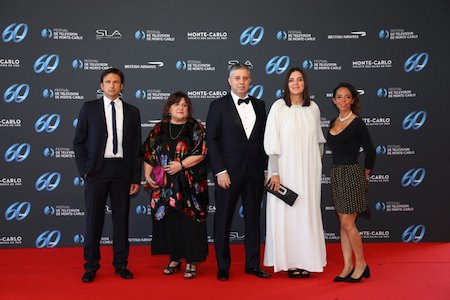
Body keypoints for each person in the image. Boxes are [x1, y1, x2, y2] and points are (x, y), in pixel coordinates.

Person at [73, 67, 142, 283]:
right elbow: (79, 142)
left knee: (121, 221)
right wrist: (85, 168)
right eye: (108, 82)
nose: (112, 85)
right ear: (101, 85)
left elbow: (135, 147)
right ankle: (91, 266)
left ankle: (121, 265)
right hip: (96, 171)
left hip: (122, 171)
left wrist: (134, 177)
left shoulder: (133, 111)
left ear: (122, 86)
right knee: (94, 219)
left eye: (116, 82)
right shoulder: (89, 108)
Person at [206, 63, 270, 281]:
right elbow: (211, 141)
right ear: (229, 81)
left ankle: (253, 265)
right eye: (237, 78)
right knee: (223, 219)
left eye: (245, 78)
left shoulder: (260, 105)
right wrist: (220, 170)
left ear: (250, 81)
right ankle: (223, 266)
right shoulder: (217, 106)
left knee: (253, 220)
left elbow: (264, 141)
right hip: (228, 174)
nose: (242, 82)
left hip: (254, 172)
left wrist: (264, 168)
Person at [263, 67, 327, 278]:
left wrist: (315, 166)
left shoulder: (313, 108)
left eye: (299, 80)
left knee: (306, 213)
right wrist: (274, 171)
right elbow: (272, 141)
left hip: (309, 172)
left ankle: (307, 259)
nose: (296, 83)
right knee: (287, 213)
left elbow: (319, 141)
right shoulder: (279, 107)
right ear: (286, 84)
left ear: (305, 83)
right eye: (291, 80)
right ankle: (290, 262)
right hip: (285, 170)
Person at [143, 92, 208, 279]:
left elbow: (202, 152)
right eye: (176, 104)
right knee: (171, 222)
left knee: (191, 223)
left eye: (185, 105)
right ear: (169, 108)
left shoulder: (195, 127)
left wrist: (181, 165)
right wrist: (147, 175)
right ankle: (175, 258)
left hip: (191, 185)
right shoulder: (159, 129)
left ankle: (192, 261)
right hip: (166, 187)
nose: (180, 108)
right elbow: (148, 153)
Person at [327, 82, 375, 283]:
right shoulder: (332, 123)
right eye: (339, 97)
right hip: (337, 174)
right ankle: (348, 265)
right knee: (343, 224)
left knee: (348, 222)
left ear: (353, 100)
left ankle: (361, 263)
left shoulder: (357, 123)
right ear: (334, 100)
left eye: (347, 97)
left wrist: (365, 172)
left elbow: (370, 150)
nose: (343, 101)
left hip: (352, 175)